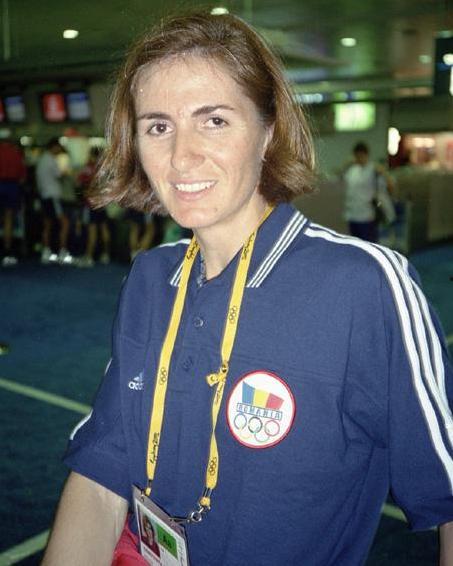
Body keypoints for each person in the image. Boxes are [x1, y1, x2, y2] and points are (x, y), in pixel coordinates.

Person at [42, 11, 453, 566]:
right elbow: (102, 478)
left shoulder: (366, 286)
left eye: (213, 120)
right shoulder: (150, 278)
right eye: (158, 126)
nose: (181, 156)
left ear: (268, 131)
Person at [343, 141, 396, 243]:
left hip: (367, 216)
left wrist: (383, 172)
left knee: (369, 244)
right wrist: (346, 164)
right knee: (355, 244)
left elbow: (390, 184)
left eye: (360, 156)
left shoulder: (374, 169)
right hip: (352, 215)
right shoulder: (352, 170)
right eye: (356, 156)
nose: (358, 158)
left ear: (366, 155)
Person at [36, 138, 73, 264]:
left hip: (45, 195)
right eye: (58, 148)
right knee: (65, 224)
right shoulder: (50, 159)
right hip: (53, 196)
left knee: (47, 225)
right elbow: (59, 174)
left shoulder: (42, 159)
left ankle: (46, 252)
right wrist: (67, 169)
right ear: (54, 147)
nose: (59, 150)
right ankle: (63, 252)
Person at [76, 146, 111, 268]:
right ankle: (106, 255)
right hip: (102, 203)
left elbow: (79, 183)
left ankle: (89, 257)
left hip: (90, 204)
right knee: (104, 229)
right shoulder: (104, 169)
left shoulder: (88, 168)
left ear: (91, 155)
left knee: (92, 231)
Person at [0, 136, 26, 266]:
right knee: (9, 219)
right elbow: (22, 177)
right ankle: (7, 250)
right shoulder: (16, 153)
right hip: (12, 187)